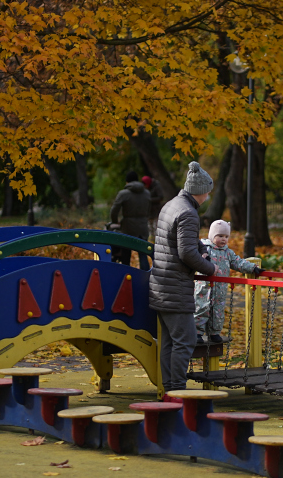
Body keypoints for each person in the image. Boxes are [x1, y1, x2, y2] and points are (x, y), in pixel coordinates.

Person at [149, 161, 218, 401]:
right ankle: (177, 391)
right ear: (200, 191)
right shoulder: (188, 213)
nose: (209, 195)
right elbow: (186, 253)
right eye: (208, 190)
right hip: (175, 287)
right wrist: (210, 268)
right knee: (186, 340)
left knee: (169, 341)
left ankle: (168, 391)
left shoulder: (172, 205)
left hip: (161, 284)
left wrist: (201, 247)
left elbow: (182, 240)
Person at [193, 220, 263, 344]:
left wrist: (252, 268)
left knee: (218, 312)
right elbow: (195, 259)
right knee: (201, 309)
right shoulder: (205, 249)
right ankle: (197, 332)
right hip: (204, 289)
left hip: (220, 290)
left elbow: (238, 262)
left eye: (226, 237)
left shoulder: (227, 252)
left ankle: (214, 333)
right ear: (212, 236)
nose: (223, 239)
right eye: (220, 236)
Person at [109, 171, 151, 265]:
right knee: (143, 253)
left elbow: (114, 210)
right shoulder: (147, 193)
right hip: (143, 226)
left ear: (127, 182)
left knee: (126, 253)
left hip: (128, 227)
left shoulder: (124, 194)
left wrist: (115, 222)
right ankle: (145, 277)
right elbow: (149, 209)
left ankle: (126, 276)